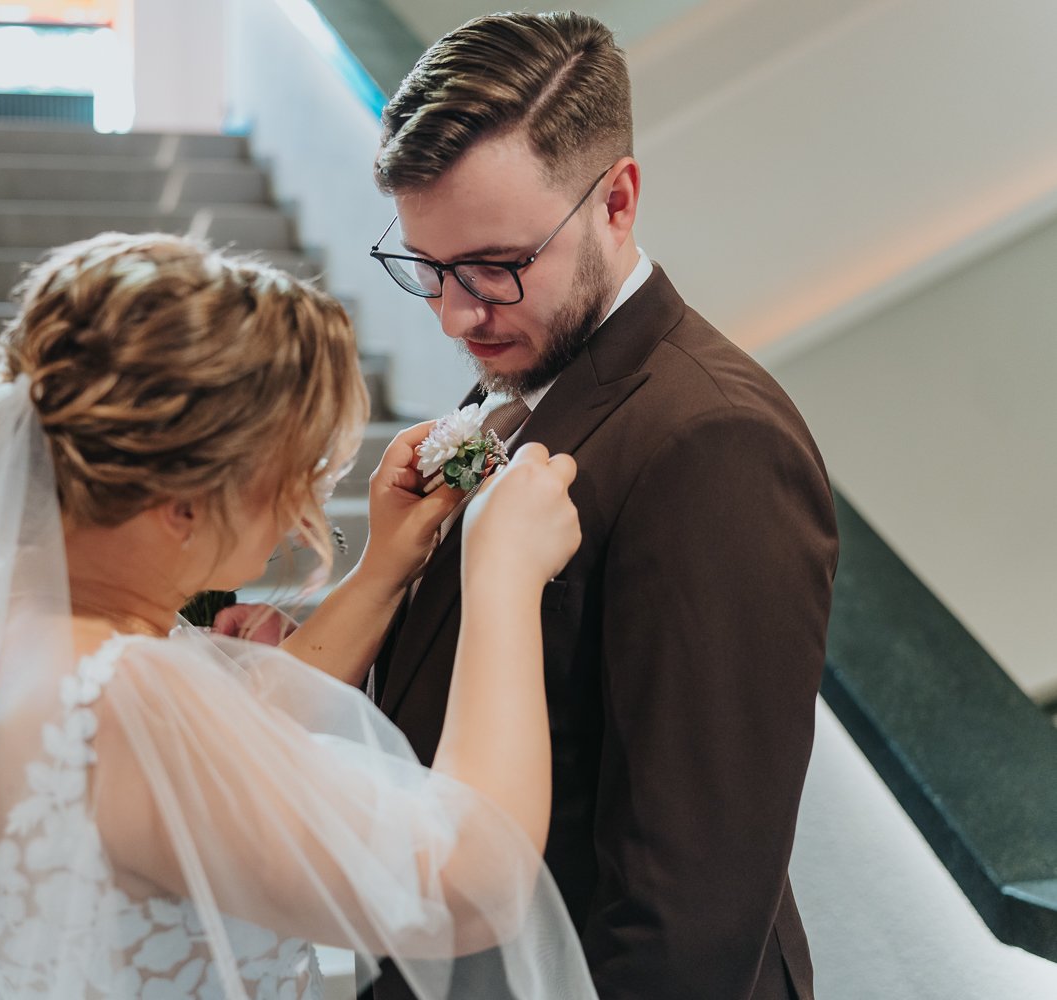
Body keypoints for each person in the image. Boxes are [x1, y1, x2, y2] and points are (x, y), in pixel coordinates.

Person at [0, 232, 600, 1000]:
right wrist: (500, 571)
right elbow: (469, 882)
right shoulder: (123, 700)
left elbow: (231, 744)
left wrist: (384, 568)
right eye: (290, 471)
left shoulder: (15, 637)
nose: (301, 511)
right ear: (184, 503)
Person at [350, 12, 839, 1000]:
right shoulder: (528, 372)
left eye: (495, 266)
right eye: (429, 269)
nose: (455, 314)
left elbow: (687, 909)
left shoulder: (715, 443)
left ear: (617, 201)